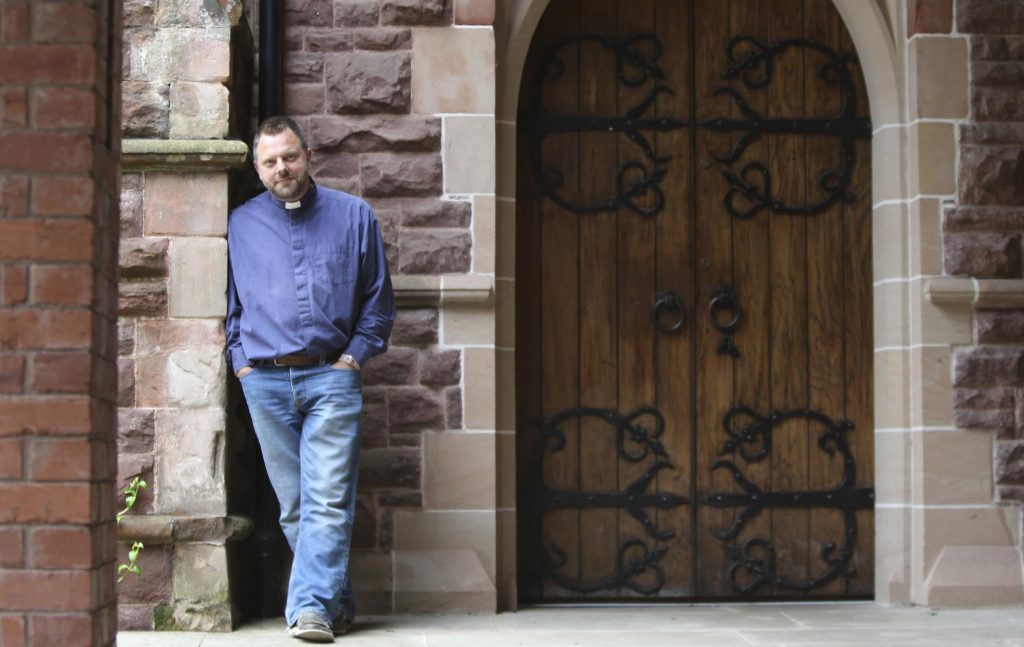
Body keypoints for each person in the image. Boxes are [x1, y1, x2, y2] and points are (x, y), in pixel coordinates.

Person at [226, 115, 395, 643]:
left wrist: (352, 360)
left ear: (308, 155)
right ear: (257, 168)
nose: (283, 168)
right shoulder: (239, 225)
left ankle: (309, 611)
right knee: (297, 505)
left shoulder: (354, 217)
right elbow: (231, 307)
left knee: (326, 499)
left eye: (290, 156)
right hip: (265, 383)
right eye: (271, 161)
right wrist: (241, 363)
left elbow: (378, 303)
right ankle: (336, 603)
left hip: (331, 379)